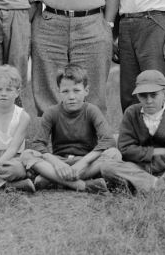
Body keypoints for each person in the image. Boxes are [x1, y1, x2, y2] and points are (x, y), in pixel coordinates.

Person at [101, 70, 165, 194]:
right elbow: (125, 148)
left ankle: (149, 185)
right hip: (137, 169)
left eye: (154, 95)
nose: (148, 100)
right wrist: (154, 152)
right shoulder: (131, 114)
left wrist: (150, 165)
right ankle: (161, 187)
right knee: (107, 167)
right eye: (143, 95)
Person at [22, 63, 121, 192]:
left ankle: (52, 180)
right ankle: (81, 185)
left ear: (86, 90)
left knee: (114, 154)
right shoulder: (51, 112)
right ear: (59, 92)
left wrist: (83, 163)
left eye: (76, 90)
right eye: (65, 91)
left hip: (85, 163)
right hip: (59, 162)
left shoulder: (91, 110)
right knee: (27, 155)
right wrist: (57, 163)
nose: (71, 97)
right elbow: (37, 144)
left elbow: (108, 140)